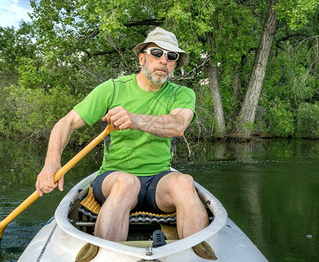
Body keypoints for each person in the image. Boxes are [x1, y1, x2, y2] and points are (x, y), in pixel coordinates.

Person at [35, 27, 209, 241]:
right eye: (157, 53)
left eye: (171, 56)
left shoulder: (182, 94)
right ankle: (107, 252)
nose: (164, 60)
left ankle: (195, 254)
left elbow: (178, 124)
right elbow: (67, 122)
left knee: (185, 182)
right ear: (141, 58)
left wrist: (135, 120)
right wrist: (52, 163)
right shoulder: (113, 89)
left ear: (174, 64)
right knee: (127, 183)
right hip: (114, 176)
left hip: (159, 180)